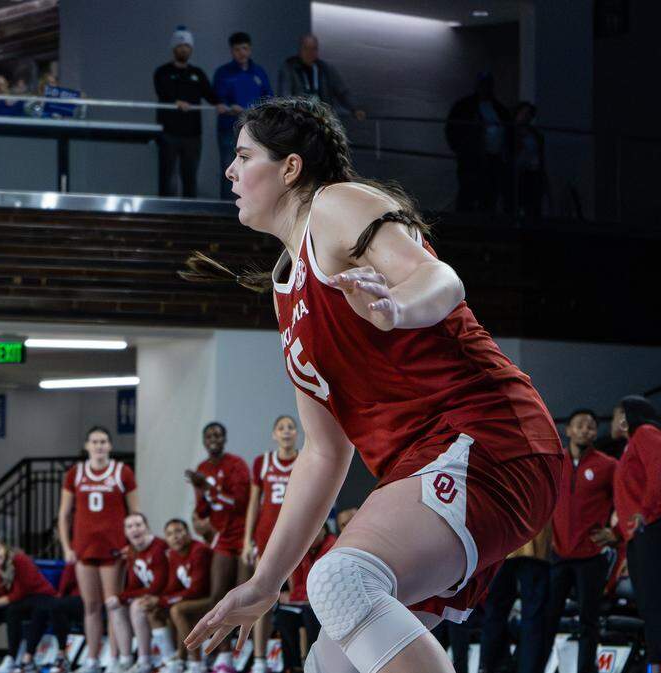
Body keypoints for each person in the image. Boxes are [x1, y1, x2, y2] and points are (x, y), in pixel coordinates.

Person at [181, 97, 562, 673]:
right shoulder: (288, 294)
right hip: (429, 461)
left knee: (340, 578)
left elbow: (439, 278)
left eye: (242, 155)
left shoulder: (336, 204)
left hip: (488, 434)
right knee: (332, 665)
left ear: (289, 168)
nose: (230, 171)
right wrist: (264, 582)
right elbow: (324, 453)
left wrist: (397, 309)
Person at [57, 427, 139, 673]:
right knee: (91, 606)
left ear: (110, 446)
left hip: (113, 549)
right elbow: (63, 514)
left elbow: (135, 512)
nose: (99, 446)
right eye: (94, 442)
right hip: (84, 549)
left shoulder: (122, 472)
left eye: (103, 441)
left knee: (113, 604)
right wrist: (66, 546)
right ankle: (92, 659)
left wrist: (130, 545)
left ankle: (114, 659)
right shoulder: (75, 473)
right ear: (87, 445)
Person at [542, 409, 617, 673]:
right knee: (548, 619)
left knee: (589, 621)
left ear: (596, 433)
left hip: (591, 557)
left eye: (590, 427)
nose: (585, 430)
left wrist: (615, 533)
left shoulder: (607, 465)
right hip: (558, 555)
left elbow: (625, 499)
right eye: (580, 426)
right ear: (569, 431)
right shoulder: (555, 461)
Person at [186, 422, 250, 673]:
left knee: (242, 597)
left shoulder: (237, 464)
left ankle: (243, 653)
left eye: (218, 435)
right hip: (221, 537)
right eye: (209, 435)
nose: (213, 439)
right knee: (217, 596)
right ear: (204, 441)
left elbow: (239, 502)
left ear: (224, 439)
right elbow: (203, 508)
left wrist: (209, 488)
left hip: (243, 535)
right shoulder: (202, 469)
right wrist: (198, 514)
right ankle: (222, 653)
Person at [241, 415, 299, 673]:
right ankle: (261, 658)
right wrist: (246, 541)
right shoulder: (262, 462)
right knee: (261, 600)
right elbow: (254, 503)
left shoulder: (306, 460)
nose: (286, 432)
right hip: (266, 539)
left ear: (297, 433)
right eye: (281, 428)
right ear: (274, 434)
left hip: (298, 538)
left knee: (298, 599)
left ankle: (299, 659)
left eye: (291, 427)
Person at [612, 396, 661, 669]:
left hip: (652, 529)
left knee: (655, 605)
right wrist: (620, 533)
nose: (616, 419)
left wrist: (645, 512)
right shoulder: (630, 446)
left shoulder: (646, 433)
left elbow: (659, 471)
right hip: (640, 535)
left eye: (620, 413)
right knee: (650, 606)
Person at [0, 538, 57, 673]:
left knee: (12, 611)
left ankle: (11, 659)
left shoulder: (19, 560)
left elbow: (19, 593)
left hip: (37, 596)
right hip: (13, 602)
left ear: (5, 549)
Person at [153, 26, 222, 198]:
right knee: (168, 177)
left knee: (190, 176)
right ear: (174, 48)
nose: (184, 49)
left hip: (192, 135)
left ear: (191, 49)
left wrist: (222, 104)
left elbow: (210, 95)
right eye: (180, 45)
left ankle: (189, 217)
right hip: (168, 132)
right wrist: (175, 102)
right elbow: (162, 91)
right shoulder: (162, 72)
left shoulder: (197, 73)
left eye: (187, 46)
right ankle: (165, 216)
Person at [106, 513, 172, 673]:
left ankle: (144, 660)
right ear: (125, 532)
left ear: (147, 527)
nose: (134, 530)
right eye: (129, 526)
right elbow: (134, 585)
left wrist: (123, 597)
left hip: (166, 594)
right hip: (149, 594)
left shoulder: (158, 547)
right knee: (115, 606)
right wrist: (120, 599)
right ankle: (125, 659)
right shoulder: (132, 552)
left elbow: (158, 586)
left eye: (138, 525)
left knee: (137, 605)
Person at [478, 528, 550, 673]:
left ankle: (491, 666)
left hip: (501, 543)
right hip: (535, 542)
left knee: (494, 612)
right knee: (533, 616)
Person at [212, 32, 273, 200]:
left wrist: (246, 110)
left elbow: (269, 101)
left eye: (244, 48)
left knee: (253, 170)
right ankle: (227, 212)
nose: (241, 53)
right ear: (232, 51)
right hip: (229, 129)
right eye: (237, 49)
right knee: (229, 170)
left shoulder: (259, 73)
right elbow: (218, 100)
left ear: (250, 49)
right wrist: (229, 107)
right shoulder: (223, 73)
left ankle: (250, 208)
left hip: (253, 132)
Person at [445, 73, 512, 213]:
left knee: (489, 194)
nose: (485, 88)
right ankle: (465, 223)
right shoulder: (465, 106)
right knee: (469, 191)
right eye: (483, 84)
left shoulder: (499, 108)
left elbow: (509, 131)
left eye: (488, 84)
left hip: (493, 158)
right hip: (472, 158)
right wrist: (461, 150)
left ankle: (483, 225)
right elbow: (452, 129)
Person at [274, 522, 335, 673]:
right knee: (284, 616)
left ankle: (316, 664)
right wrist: (296, 594)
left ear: (324, 529)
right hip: (305, 603)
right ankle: (293, 666)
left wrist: (294, 596)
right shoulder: (304, 549)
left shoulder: (332, 545)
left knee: (310, 615)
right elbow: (299, 581)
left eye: (315, 530)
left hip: (327, 604)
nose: (310, 535)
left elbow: (319, 585)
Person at [158, 519, 213, 673]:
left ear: (188, 533)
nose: (175, 537)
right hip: (195, 599)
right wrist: (159, 601)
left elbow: (198, 589)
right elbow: (173, 586)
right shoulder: (174, 555)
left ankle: (196, 661)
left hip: (212, 599)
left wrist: (166, 600)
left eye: (178, 531)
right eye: (169, 534)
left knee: (177, 610)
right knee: (155, 610)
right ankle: (174, 659)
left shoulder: (199, 550)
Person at [276, 35, 365, 121]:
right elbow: (285, 95)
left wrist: (355, 108)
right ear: (300, 50)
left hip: (324, 118)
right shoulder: (289, 68)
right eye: (306, 48)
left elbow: (342, 91)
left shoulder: (326, 69)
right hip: (300, 119)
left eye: (313, 49)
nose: (309, 53)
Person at [512, 102, 546, 220]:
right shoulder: (512, 132)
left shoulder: (536, 135)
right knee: (519, 199)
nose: (527, 117)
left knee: (533, 202)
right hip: (519, 171)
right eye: (524, 113)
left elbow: (540, 155)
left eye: (529, 115)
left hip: (533, 170)